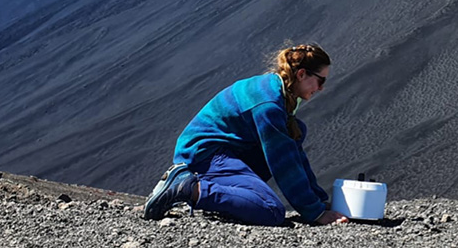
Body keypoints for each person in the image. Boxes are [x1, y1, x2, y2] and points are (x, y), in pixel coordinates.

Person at [143, 43, 349, 226]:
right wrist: (314, 213)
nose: (321, 88)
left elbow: (294, 156)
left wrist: (318, 202)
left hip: (219, 149)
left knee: (296, 131)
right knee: (271, 210)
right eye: (320, 80)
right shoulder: (268, 105)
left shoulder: (276, 88)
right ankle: (189, 188)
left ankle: (226, 197)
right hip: (205, 155)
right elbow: (284, 164)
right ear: (302, 74)